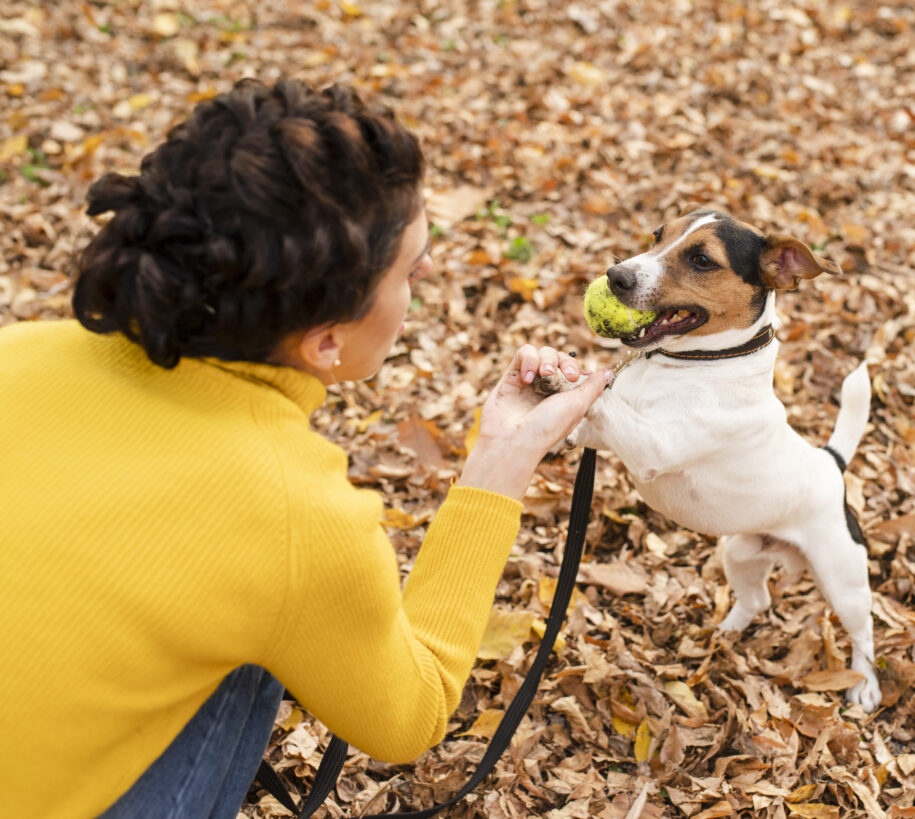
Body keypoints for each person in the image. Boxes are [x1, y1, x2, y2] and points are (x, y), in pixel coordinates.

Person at [0, 77, 610, 819]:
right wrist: (500, 466)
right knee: (255, 647)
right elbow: (407, 718)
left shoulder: (19, 352)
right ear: (326, 338)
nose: (422, 283)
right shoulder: (293, 515)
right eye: (412, 272)